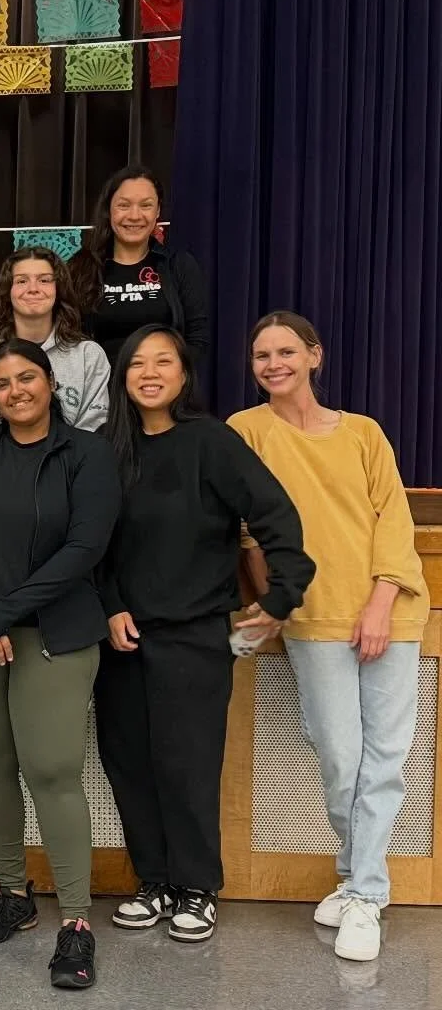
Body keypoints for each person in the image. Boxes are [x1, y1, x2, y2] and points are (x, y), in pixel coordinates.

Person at [96, 325, 313, 945]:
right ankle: (155, 882)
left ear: (184, 374)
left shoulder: (212, 441)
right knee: (129, 763)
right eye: (137, 363)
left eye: (163, 362)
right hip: (120, 638)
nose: (150, 373)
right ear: (122, 376)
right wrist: (109, 606)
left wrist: (281, 595)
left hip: (193, 636)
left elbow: (275, 513)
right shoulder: (105, 449)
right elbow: (90, 543)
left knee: (186, 765)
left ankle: (197, 887)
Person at [230, 311, 429, 963]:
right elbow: (247, 532)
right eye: (262, 355)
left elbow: (393, 519)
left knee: (386, 758)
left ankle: (365, 893)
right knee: (341, 756)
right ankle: (356, 873)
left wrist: (380, 603)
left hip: (389, 610)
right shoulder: (245, 431)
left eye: (287, 351)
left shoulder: (364, 433)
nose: (274, 364)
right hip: (313, 615)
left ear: (314, 356)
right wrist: (273, 603)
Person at [0, 338, 120, 991]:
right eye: (3, 383)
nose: (16, 391)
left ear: (50, 382)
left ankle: (77, 921)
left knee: (52, 769)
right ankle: (13, 893)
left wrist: (5, 611)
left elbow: (85, 547)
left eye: (27, 377)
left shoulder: (87, 453)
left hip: (54, 631)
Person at [0, 246, 109, 434]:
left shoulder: (88, 355)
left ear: (58, 289)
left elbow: (94, 432)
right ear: (8, 291)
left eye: (44, 280)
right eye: (22, 281)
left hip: (75, 453)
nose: (33, 289)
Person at [66, 165, 209, 365]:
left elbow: (197, 339)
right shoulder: (80, 267)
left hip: (162, 382)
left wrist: (166, 374)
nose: (134, 216)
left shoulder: (178, 265)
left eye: (146, 205)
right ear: (108, 209)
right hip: (100, 383)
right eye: (124, 205)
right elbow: (67, 338)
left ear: (158, 211)